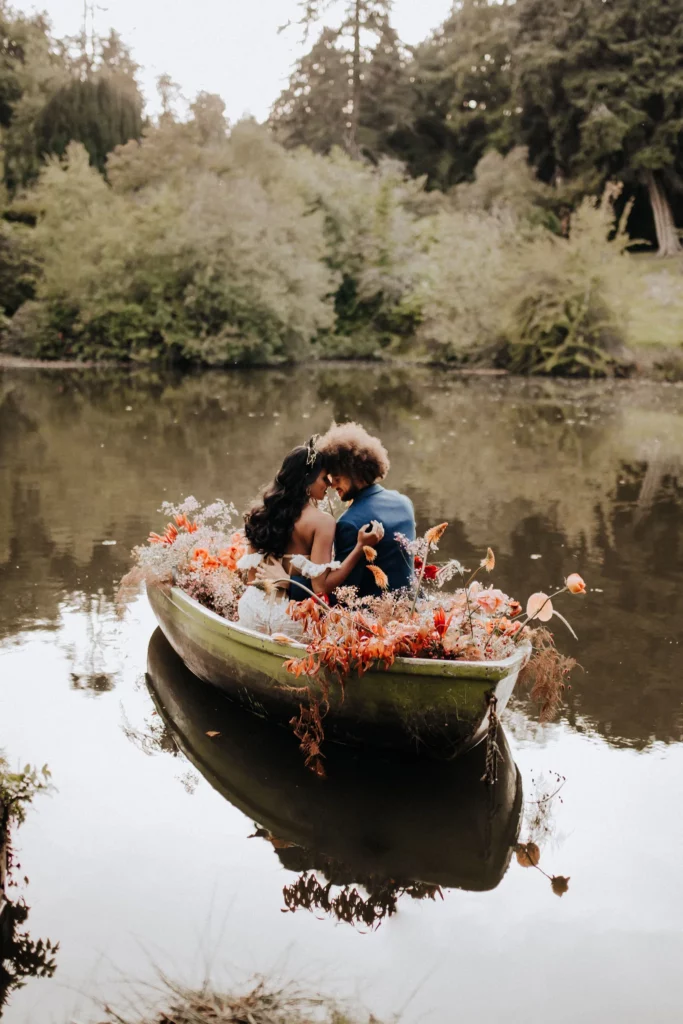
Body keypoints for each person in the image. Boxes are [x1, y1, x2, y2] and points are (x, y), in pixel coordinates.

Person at [237, 438, 383, 637]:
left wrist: (276, 584)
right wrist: (359, 548)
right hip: (290, 617)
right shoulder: (322, 522)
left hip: (251, 610)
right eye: (324, 478)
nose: (329, 484)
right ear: (307, 480)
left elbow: (252, 579)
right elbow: (320, 588)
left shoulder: (260, 513)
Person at [317, 421, 416, 599]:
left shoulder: (349, 523)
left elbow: (343, 591)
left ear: (355, 473)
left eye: (337, 478)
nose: (332, 485)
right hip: (412, 604)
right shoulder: (404, 502)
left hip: (373, 616)